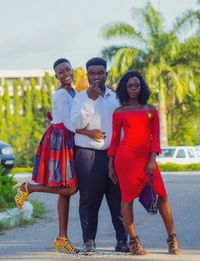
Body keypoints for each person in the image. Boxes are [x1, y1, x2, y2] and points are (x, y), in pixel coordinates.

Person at [14, 58, 97, 254]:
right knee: (69, 188)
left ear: (72, 71)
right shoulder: (61, 94)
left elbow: (66, 116)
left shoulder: (73, 92)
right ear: (56, 76)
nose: (65, 73)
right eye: (61, 71)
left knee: (64, 191)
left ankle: (62, 237)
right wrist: (88, 133)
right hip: (60, 141)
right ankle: (29, 187)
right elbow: (69, 123)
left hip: (67, 138)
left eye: (68, 69)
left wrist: (55, 117)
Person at [107, 70, 181, 255]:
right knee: (127, 199)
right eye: (130, 85)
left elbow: (155, 137)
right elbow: (115, 139)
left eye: (137, 85)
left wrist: (152, 159)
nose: (133, 88)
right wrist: (111, 164)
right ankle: (134, 243)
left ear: (142, 87)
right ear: (124, 88)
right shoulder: (119, 112)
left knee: (162, 195)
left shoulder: (150, 110)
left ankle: (172, 239)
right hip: (125, 159)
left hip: (146, 159)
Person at [70, 57, 129, 254]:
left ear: (106, 74)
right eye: (92, 73)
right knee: (88, 200)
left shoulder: (116, 98)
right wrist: (90, 100)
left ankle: (122, 241)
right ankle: (89, 242)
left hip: (114, 156)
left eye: (100, 73)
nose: (96, 77)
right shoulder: (79, 98)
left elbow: (122, 129)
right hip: (88, 155)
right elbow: (76, 125)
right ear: (87, 76)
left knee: (118, 199)